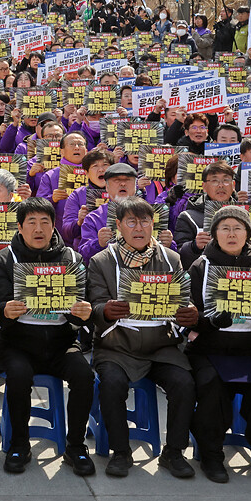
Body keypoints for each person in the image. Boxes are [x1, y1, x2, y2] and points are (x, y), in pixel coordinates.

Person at [88, 197, 198, 479]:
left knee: (184, 383)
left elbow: (183, 302)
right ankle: (121, 451)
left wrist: (188, 314)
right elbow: (94, 307)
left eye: (145, 221)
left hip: (162, 346)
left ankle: (173, 451)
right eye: (132, 222)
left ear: (153, 224)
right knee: (111, 384)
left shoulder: (171, 258)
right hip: (117, 347)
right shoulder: (102, 261)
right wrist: (107, 311)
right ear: (119, 226)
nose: (139, 228)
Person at [0, 197, 96, 475]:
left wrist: (83, 313)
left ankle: (75, 446)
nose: (39, 229)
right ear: (20, 227)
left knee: (84, 376)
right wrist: (6, 310)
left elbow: (80, 310)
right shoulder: (3, 259)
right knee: (18, 376)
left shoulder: (71, 259)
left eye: (45, 223)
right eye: (32, 223)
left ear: (54, 226)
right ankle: (20, 443)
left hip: (61, 343)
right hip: (18, 344)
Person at [186, 205, 251, 484]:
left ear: (248, 234)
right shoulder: (200, 267)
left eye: (238, 228)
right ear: (215, 233)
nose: (232, 234)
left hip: (249, 351)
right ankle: (212, 456)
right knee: (212, 390)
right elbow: (188, 315)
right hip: (208, 349)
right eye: (225, 228)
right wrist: (209, 322)